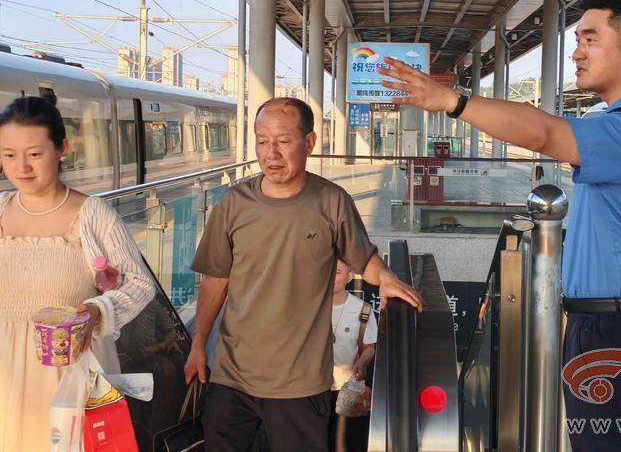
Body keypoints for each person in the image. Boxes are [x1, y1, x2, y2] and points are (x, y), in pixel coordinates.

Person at [377, 0, 621, 451]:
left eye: (589, 39)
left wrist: (452, 102)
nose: (577, 53)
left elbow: (545, 131)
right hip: (617, 325)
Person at [185, 97, 421, 452]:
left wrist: (386, 277)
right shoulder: (234, 203)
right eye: (262, 141)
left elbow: (364, 256)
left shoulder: (331, 201)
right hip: (233, 378)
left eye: (283, 140)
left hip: (300, 386)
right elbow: (216, 280)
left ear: (309, 142)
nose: (271, 153)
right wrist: (198, 346)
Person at [0, 96, 156, 451]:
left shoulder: (92, 214)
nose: (21, 167)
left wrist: (98, 310)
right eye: (9, 155)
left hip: (65, 377)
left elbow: (139, 282)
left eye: (34, 154)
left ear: (62, 149)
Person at [328, 259, 377, 452]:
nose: (331, 277)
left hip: (345, 388)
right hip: (311, 388)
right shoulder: (309, 306)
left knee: (344, 443)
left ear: (349, 277)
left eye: (338, 272)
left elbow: (369, 346)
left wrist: (361, 362)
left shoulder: (361, 310)